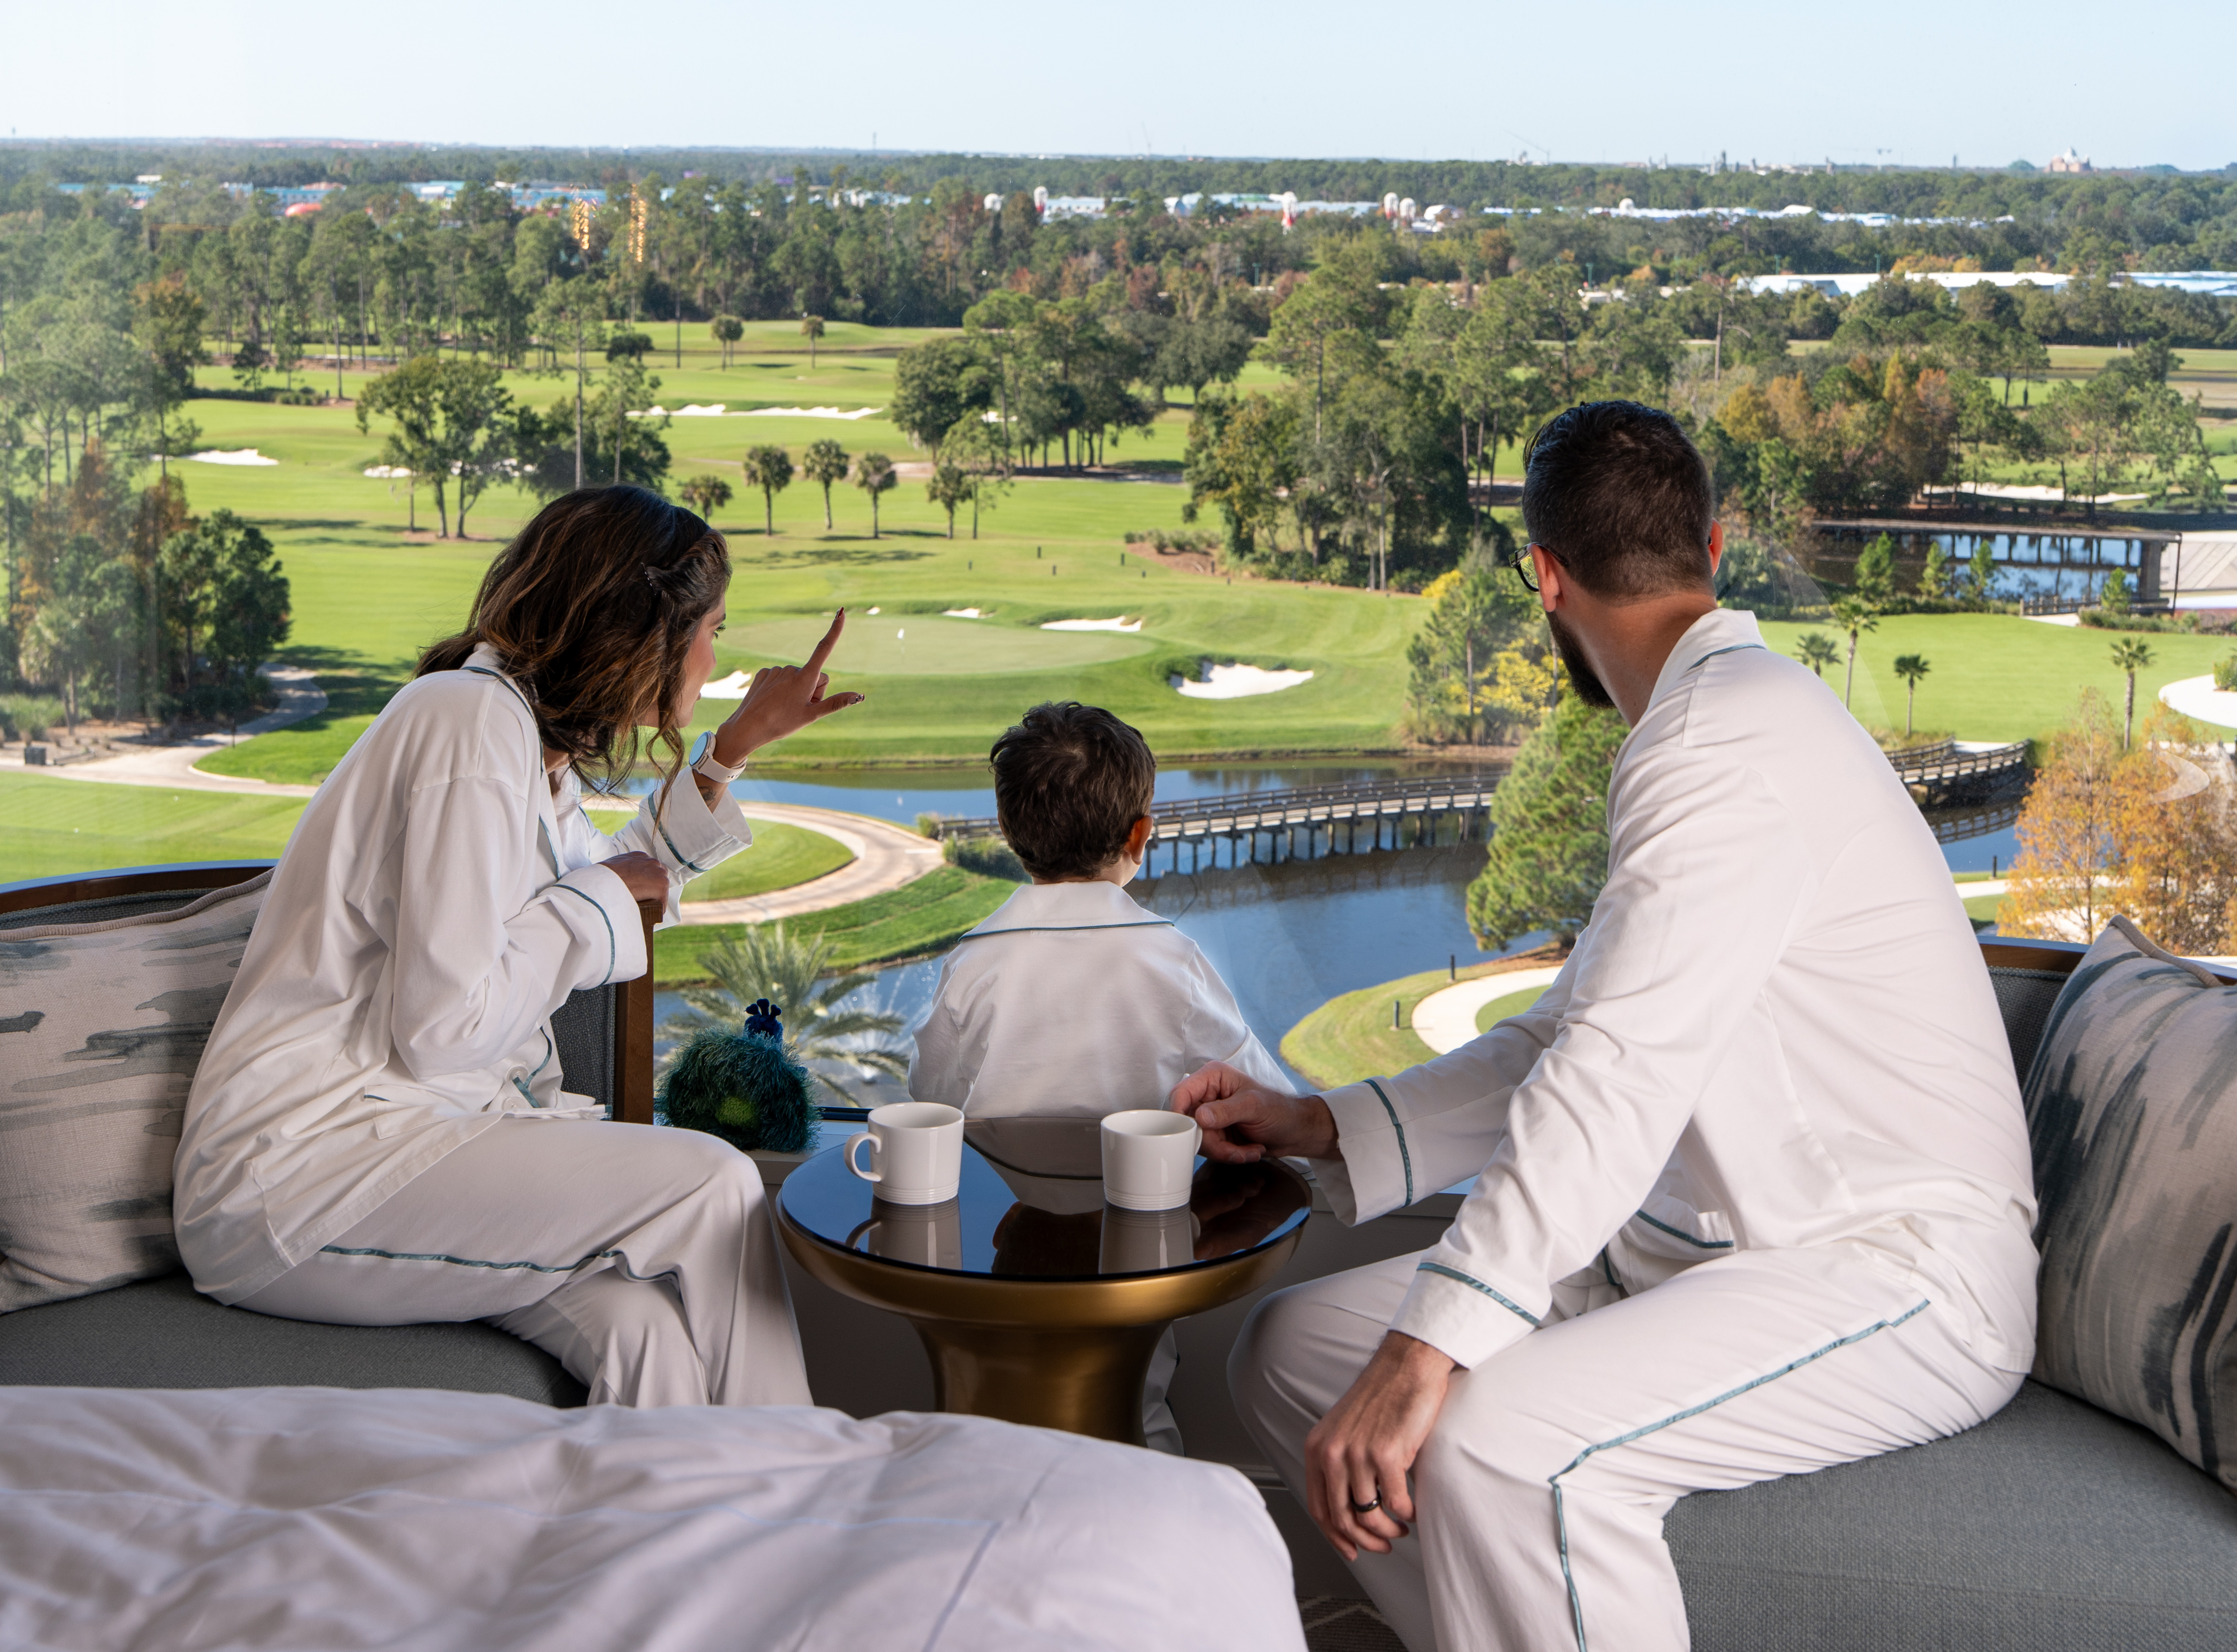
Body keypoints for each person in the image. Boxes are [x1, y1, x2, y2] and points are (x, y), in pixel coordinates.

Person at [1173, 403, 2038, 1652]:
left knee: (1509, 1450)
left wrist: (1430, 1347)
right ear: (1715, 545)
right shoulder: (1709, 728)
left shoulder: (1721, 746)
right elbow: (1571, 1036)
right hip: (1702, 1252)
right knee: (1293, 1349)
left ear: (1545, 577)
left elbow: (1611, 1080)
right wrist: (1326, 1122)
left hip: (1890, 1267)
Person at [175, 485, 862, 1409]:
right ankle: (802, 1502)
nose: (714, 654)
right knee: (714, 1184)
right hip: (302, 1173)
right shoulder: (466, 722)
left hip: (418, 1141)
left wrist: (730, 749)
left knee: (643, 1332)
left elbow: (628, 884)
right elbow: (445, 1027)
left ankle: (674, 1543)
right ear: (640, 628)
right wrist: (593, 905)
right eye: (710, 631)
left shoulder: (527, 746)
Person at [908, 700, 1288, 1452]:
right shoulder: (1169, 958)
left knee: (1009, 1406)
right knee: (1131, 1402)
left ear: (1012, 835)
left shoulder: (977, 958)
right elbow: (1260, 1095)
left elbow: (930, 1094)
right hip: (1135, 1244)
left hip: (1009, 1236)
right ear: (1139, 834)